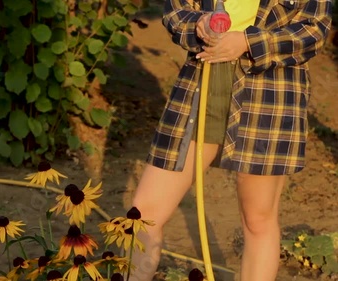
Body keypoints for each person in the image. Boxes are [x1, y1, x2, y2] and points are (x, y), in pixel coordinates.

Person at [129, 0, 333, 280]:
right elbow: (176, 9)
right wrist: (198, 24)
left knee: (257, 219)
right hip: (201, 82)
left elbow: (313, 30)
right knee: (143, 213)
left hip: (270, 91)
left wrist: (249, 42)